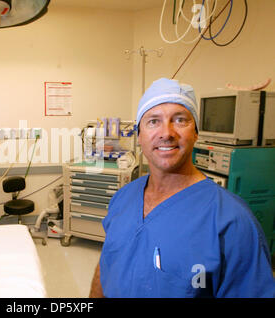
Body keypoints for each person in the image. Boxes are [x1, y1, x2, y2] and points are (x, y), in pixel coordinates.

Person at [89, 78, 275, 298]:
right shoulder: (123, 198)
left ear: (196, 132)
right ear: (139, 136)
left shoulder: (232, 221)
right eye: (153, 121)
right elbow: (106, 264)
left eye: (180, 120)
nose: (166, 133)